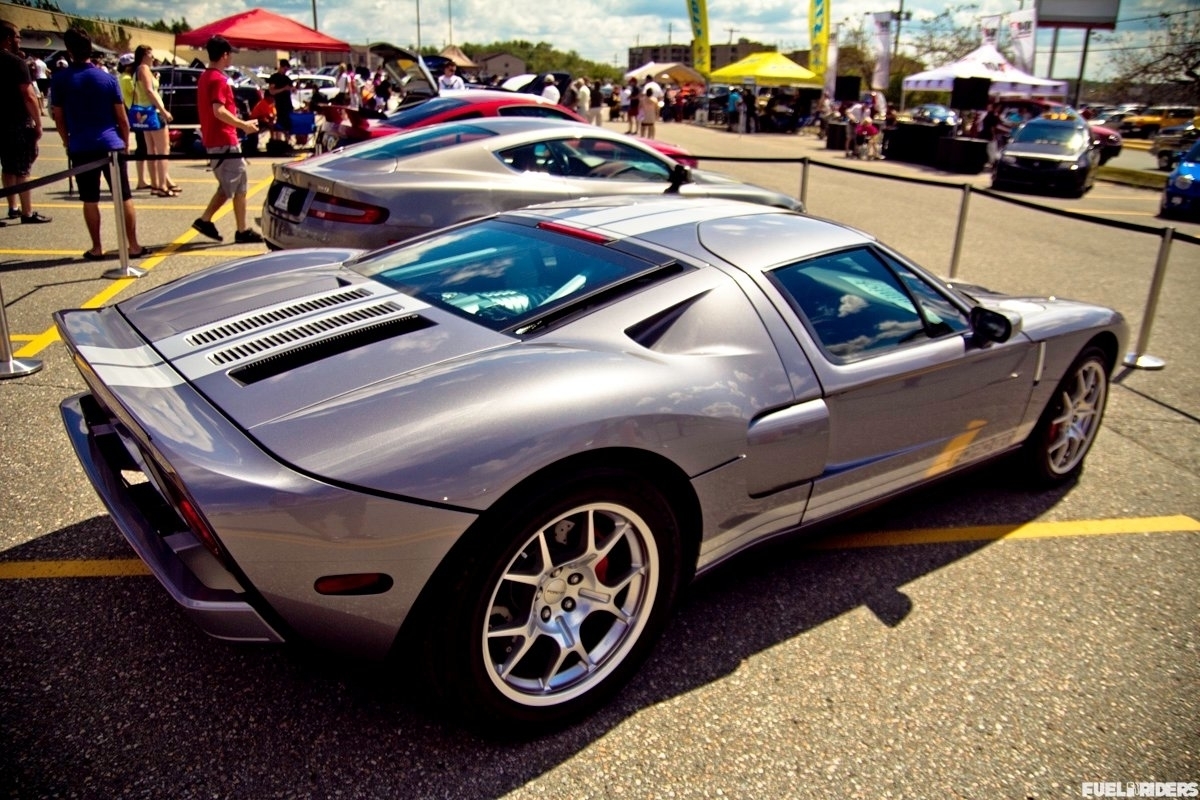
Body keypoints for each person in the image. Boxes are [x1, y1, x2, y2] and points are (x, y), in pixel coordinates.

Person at [50, 27, 149, 260]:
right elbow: (122, 119)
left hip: (81, 145)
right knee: (123, 196)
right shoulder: (107, 78)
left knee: (90, 199)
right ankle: (133, 245)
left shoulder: (60, 80)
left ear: (68, 51)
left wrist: (67, 142)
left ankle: (97, 247)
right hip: (110, 144)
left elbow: (59, 118)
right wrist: (125, 144)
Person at [191, 35, 261, 244]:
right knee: (229, 186)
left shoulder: (206, 76)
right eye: (229, 54)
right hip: (224, 139)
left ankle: (242, 229)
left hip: (219, 138)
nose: (231, 58)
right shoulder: (218, 80)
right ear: (224, 55)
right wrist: (244, 125)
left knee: (238, 185)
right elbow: (218, 110)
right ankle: (206, 220)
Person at [0, 20, 51, 226]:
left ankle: (12, 207)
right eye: (17, 36)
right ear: (8, 39)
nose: (19, 41)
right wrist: (38, 123)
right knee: (22, 169)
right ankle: (26, 212)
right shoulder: (15, 62)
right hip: (16, 122)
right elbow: (28, 95)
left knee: (7, 167)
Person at [132, 45, 177, 196]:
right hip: (153, 112)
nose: (153, 58)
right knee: (163, 151)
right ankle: (162, 185)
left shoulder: (139, 70)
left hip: (145, 113)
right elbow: (149, 91)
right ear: (145, 55)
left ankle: (156, 184)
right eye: (151, 54)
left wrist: (154, 78)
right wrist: (164, 111)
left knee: (152, 151)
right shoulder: (144, 68)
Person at [116, 53, 151, 190]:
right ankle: (141, 179)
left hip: (135, 111)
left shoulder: (125, 78)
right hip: (136, 112)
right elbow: (137, 92)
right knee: (142, 146)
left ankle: (143, 178)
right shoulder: (126, 79)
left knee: (143, 146)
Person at [266, 59, 294, 145]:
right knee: (279, 123)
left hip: (287, 104)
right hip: (278, 104)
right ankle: (277, 141)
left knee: (288, 124)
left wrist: (292, 89)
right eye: (284, 69)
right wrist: (283, 89)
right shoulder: (274, 78)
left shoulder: (287, 79)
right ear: (281, 67)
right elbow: (272, 91)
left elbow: (292, 89)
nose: (285, 71)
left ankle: (287, 141)